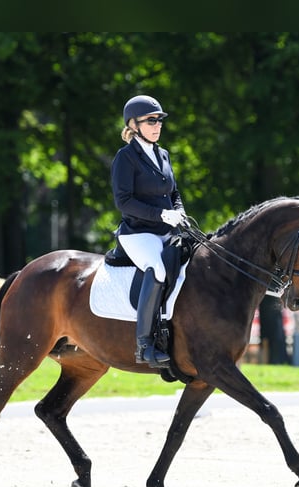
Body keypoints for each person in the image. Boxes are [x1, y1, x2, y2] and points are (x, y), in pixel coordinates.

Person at [111, 94, 187, 368]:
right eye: (151, 121)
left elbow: (174, 192)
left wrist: (179, 213)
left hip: (166, 229)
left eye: (159, 121)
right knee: (158, 269)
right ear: (134, 124)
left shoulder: (162, 154)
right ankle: (145, 345)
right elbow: (124, 201)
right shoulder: (126, 157)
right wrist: (160, 214)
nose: (157, 126)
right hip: (138, 233)